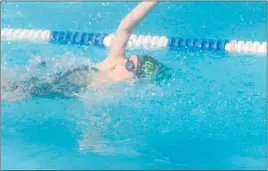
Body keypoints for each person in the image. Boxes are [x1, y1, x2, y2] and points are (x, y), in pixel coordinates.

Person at [2, 1, 171, 102]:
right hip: (57, 76)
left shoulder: (111, 89)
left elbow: (92, 112)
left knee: (17, 93)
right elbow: (126, 26)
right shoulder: (114, 60)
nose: (122, 62)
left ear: (134, 80)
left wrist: (91, 138)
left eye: (129, 66)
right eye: (130, 58)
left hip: (56, 89)